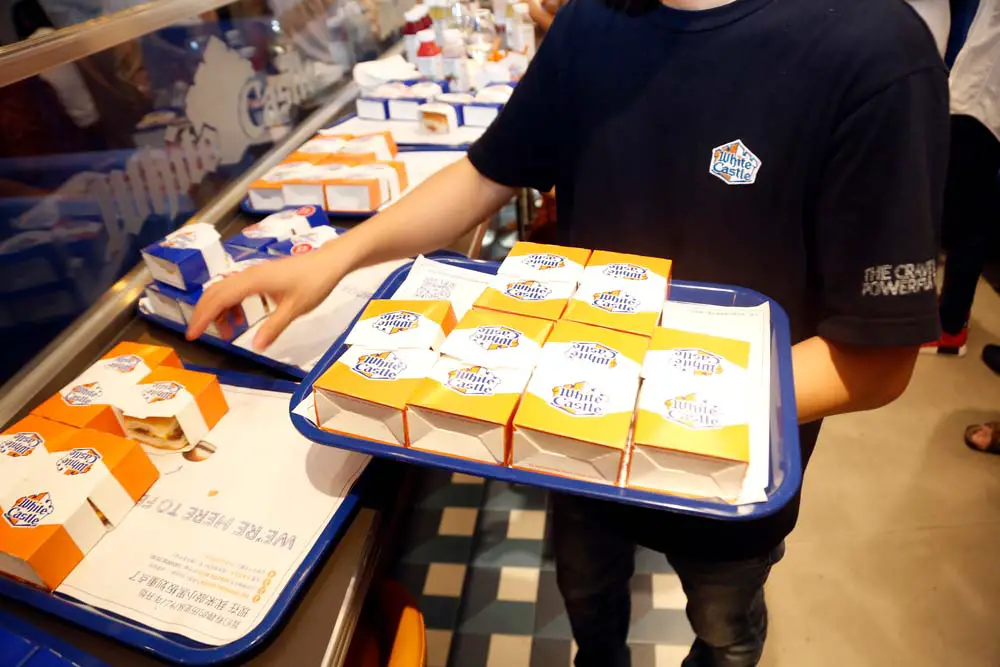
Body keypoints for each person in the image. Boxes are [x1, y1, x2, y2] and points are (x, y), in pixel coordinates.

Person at [189, 0, 948, 664]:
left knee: (725, 624)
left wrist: (623, 403)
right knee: (589, 595)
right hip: (574, 443)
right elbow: (491, 171)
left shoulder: (873, 49)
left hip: (731, 460)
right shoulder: (595, 21)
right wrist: (337, 256)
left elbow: (874, 363)